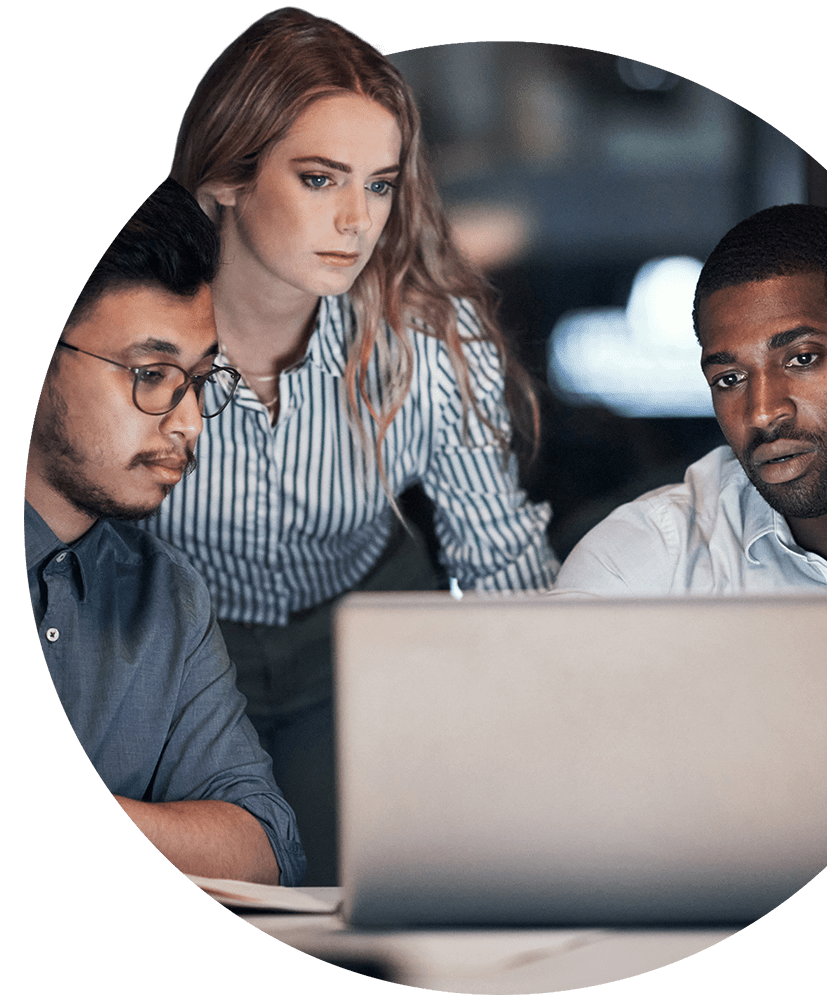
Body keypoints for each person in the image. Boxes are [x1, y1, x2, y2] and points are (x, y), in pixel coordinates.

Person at [142, 8, 557, 883]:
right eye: (321, 178)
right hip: (178, 647)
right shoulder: (125, 340)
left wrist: (555, 740)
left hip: (360, 638)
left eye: (378, 185)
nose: (357, 221)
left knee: (368, 891)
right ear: (228, 175)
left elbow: (501, 563)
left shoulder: (431, 343)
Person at [555, 203, 827, 809]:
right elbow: (548, 796)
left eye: (801, 359)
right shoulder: (647, 560)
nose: (761, 412)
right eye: (729, 378)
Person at [26, 178, 306, 886]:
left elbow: (267, 848)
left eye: (201, 379)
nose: (187, 423)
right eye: (151, 374)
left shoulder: (165, 594)